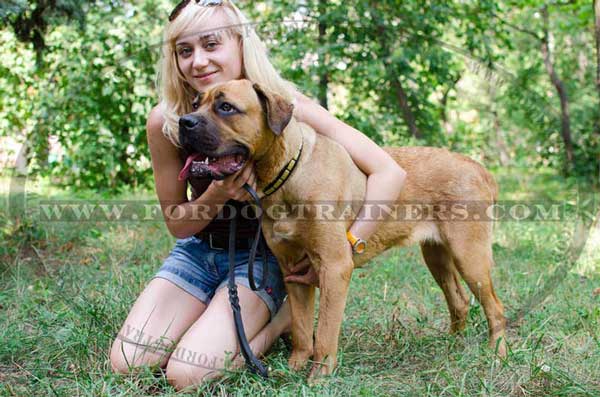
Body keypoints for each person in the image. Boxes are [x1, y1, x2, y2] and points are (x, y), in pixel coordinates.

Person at [109, 0, 406, 390]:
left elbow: (389, 171)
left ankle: (277, 323)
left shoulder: (286, 107)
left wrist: (348, 245)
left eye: (211, 44)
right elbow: (178, 225)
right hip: (198, 253)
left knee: (188, 373)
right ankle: (214, 318)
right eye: (185, 50)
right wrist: (219, 192)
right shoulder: (169, 120)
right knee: (127, 362)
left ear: (240, 44)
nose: (198, 61)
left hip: (260, 261)